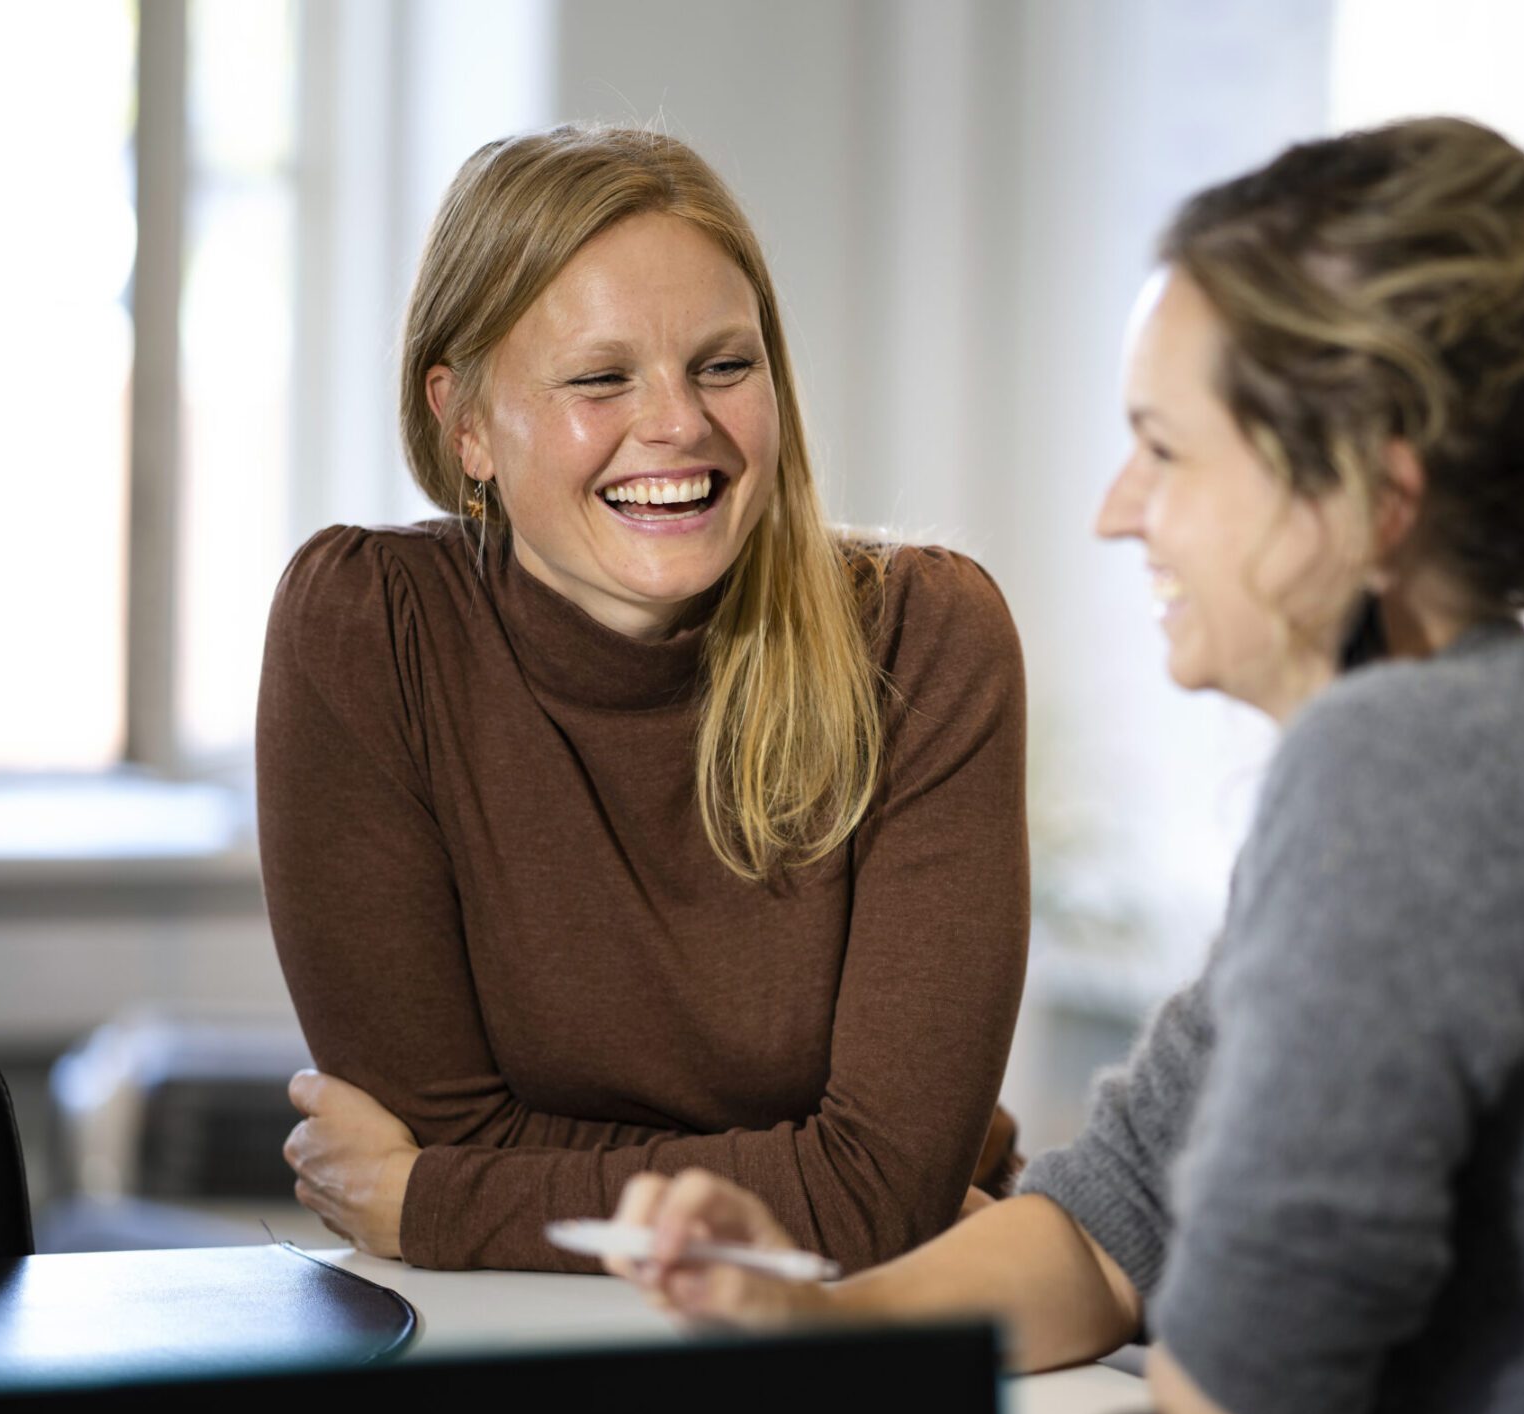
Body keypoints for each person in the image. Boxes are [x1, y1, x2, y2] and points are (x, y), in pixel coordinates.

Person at [595, 117, 1524, 1414]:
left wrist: (1195, 1313)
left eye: (1166, 450)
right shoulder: (1494, 744)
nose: (1116, 511)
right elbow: (1106, 1226)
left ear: (1366, 496)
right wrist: (817, 1319)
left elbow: (1248, 1400)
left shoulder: (1405, 780)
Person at [258, 125, 1030, 1274]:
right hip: (502, 1341)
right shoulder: (368, 632)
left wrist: (443, 1201)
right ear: (464, 422)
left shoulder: (923, 639)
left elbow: (879, 1188)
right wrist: (835, 1181)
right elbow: (872, 1189)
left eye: (724, 365)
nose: (678, 425)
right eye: (601, 378)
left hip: (829, 1347)